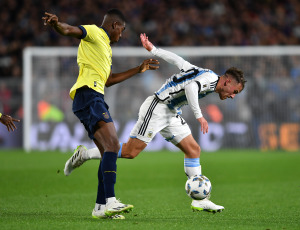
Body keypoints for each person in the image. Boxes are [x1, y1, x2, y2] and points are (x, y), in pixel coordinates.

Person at [64, 33, 247, 213]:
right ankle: (84, 155)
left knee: (193, 150)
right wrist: (199, 116)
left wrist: (155, 49)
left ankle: (200, 200)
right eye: (234, 92)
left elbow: (179, 61)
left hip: (171, 112)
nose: (232, 96)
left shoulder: (208, 75)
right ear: (228, 81)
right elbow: (191, 87)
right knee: (130, 152)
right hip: (157, 108)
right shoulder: (208, 80)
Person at [42, 11, 159, 220]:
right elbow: (70, 30)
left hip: (93, 96)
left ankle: (100, 207)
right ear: (115, 25)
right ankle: (111, 201)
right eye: (121, 31)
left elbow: (109, 79)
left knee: (108, 152)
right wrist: (57, 24)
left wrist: (138, 69)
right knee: (113, 145)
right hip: (88, 95)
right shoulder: (95, 33)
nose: (120, 36)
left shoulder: (104, 47)